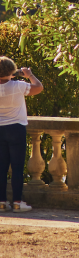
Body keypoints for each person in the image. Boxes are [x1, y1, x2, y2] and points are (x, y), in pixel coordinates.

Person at [0, 59, 43, 212]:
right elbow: (38, 88)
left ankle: (1, 202)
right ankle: (17, 202)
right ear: (12, 71)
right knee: (17, 168)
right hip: (16, 128)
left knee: (1, 168)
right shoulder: (18, 86)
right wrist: (29, 75)